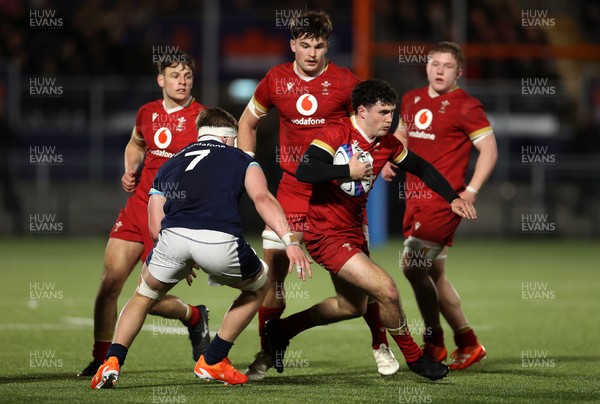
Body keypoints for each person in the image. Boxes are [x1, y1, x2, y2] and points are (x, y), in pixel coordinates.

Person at [264, 79, 478, 381]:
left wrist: (453, 198)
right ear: (362, 111)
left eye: (393, 113)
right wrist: (345, 171)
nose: (390, 119)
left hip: (351, 232)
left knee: (351, 306)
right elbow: (306, 169)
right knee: (387, 290)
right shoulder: (336, 132)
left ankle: (281, 330)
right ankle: (415, 359)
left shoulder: (386, 144)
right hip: (326, 235)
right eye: (384, 112)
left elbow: (422, 167)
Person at [90, 107, 312, 388]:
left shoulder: (170, 164)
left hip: (172, 239)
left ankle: (111, 361)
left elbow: (155, 223)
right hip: (219, 240)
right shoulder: (242, 159)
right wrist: (290, 240)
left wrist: (178, 258)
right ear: (229, 137)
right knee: (260, 285)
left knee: (142, 296)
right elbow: (263, 199)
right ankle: (214, 359)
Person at [237, 10, 399, 379]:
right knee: (273, 279)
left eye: (320, 45)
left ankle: (380, 344)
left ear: (328, 46)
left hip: (339, 197)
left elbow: (379, 119)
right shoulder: (276, 80)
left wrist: (385, 156)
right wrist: (246, 165)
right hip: (290, 194)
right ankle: (268, 349)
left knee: (361, 287)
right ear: (292, 44)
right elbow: (247, 122)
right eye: (305, 45)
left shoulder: (345, 82)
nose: (312, 53)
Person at [79, 51, 211, 377]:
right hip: (138, 207)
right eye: (175, 75)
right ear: (161, 80)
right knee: (109, 284)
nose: (182, 81)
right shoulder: (147, 113)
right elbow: (136, 144)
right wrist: (129, 168)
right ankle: (100, 357)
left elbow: (211, 174)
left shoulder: (203, 119)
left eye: (187, 76)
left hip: (171, 217)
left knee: (148, 296)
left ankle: (193, 316)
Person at [387, 41, 497, 370]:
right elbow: (403, 135)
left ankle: (433, 342)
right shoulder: (411, 99)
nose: (439, 70)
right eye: (434, 63)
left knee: (411, 265)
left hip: (444, 202)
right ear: (426, 66)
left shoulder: (466, 105)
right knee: (435, 274)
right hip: (415, 200)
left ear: (459, 72)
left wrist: (471, 192)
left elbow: (489, 150)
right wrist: (392, 157)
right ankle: (467, 342)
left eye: (447, 66)